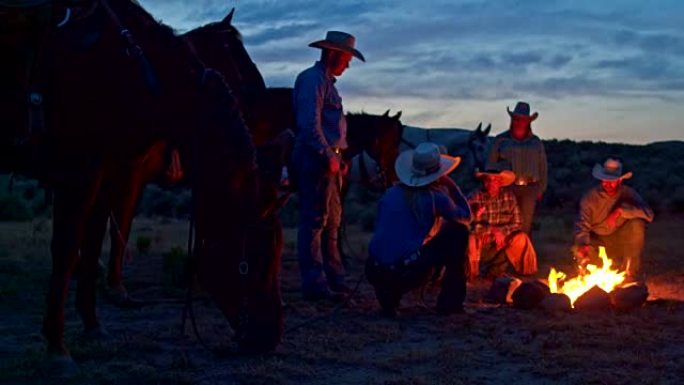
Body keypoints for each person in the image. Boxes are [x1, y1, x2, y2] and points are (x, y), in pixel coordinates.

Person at [292, 31, 365, 300]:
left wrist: (338, 156)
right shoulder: (313, 81)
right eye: (346, 59)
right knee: (314, 221)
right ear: (333, 54)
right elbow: (309, 124)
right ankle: (315, 284)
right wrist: (328, 154)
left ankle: (335, 277)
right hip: (316, 160)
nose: (347, 65)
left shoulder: (326, 83)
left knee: (332, 221)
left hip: (329, 161)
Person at [366, 142, 472, 316]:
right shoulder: (435, 197)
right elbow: (465, 217)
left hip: (374, 269)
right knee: (458, 233)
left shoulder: (390, 193)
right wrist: (452, 186)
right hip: (405, 272)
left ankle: (389, 295)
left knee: (400, 246)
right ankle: (450, 303)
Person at [574, 158, 654, 281]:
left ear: (620, 180)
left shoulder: (628, 193)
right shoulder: (589, 198)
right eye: (605, 181)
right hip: (597, 239)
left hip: (619, 239)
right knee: (581, 247)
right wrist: (583, 244)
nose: (608, 184)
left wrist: (622, 211)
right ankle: (586, 276)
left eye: (612, 181)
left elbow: (649, 214)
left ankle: (630, 274)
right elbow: (582, 224)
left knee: (637, 224)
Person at [487, 101, 547, 235]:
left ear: (528, 122)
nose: (519, 122)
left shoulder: (536, 143)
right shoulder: (500, 140)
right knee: (506, 221)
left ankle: (524, 253)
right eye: (516, 119)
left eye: (522, 119)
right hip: (507, 187)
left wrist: (540, 189)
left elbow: (542, 167)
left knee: (525, 225)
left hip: (530, 188)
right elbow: (490, 165)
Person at [467, 169, 538, 280]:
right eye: (488, 180)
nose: (491, 183)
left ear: (500, 183)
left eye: (495, 180)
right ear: (484, 182)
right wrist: (491, 231)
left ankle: (526, 274)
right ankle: (471, 274)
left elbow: (517, 223)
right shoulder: (474, 197)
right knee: (470, 239)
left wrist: (501, 232)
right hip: (482, 239)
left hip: (502, 239)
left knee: (521, 238)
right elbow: (467, 224)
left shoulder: (509, 197)